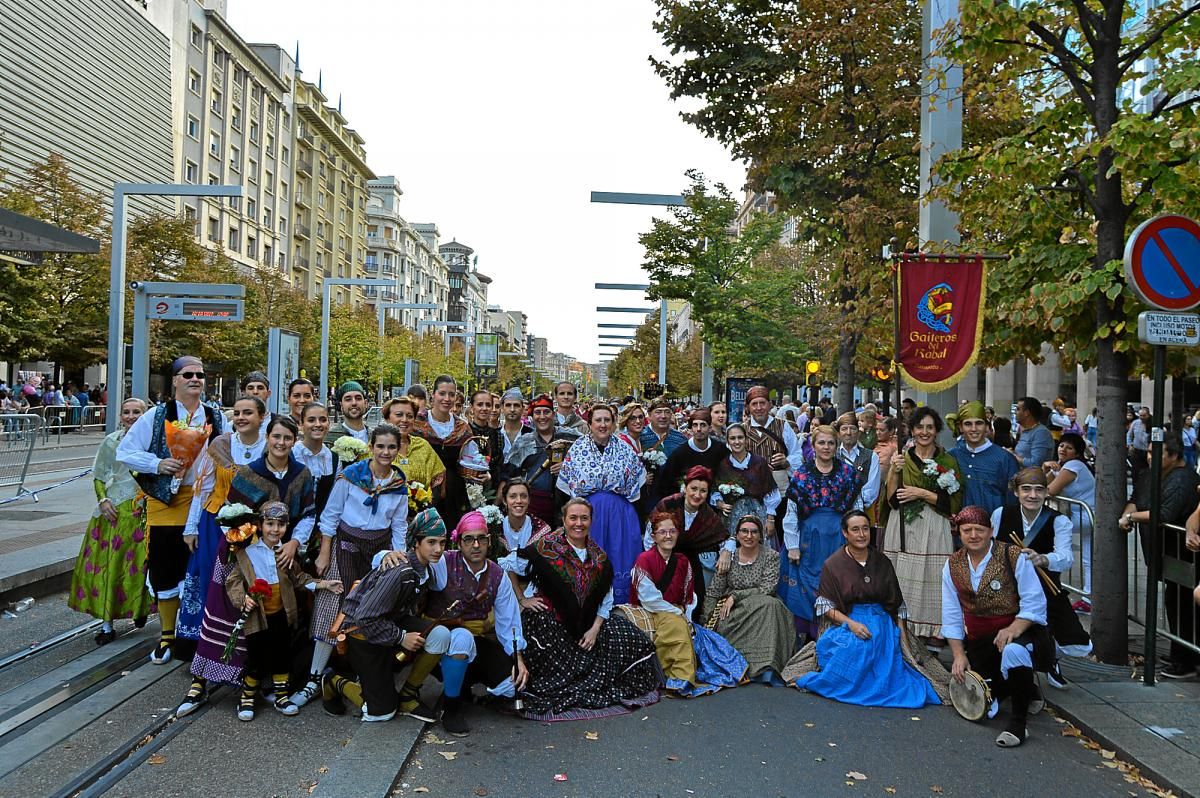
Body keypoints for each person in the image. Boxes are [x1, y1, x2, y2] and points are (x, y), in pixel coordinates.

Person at [501, 497, 661, 719]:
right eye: (573, 518)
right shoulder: (546, 547)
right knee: (559, 666)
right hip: (549, 621)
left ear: (591, 521)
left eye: (584, 518)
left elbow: (606, 597)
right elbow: (508, 564)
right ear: (564, 521)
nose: (579, 523)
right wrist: (522, 599)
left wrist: (595, 629)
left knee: (632, 638)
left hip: (588, 623)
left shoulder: (599, 557)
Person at [117, 355, 226, 663]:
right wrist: (157, 463)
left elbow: (229, 452)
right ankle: (167, 635)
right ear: (175, 380)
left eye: (200, 375)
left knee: (200, 565)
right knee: (166, 566)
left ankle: (195, 631)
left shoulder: (215, 416)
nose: (195, 379)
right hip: (166, 500)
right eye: (188, 374)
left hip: (204, 500)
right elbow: (127, 452)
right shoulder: (156, 415)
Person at [300, 422, 410, 709]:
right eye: (380, 446)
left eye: (391, 447)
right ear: (371, 447)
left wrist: (398, 557)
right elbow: (331, 515)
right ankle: (314, 676)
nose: (385, 452)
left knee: (368, 610)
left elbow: (399, 525)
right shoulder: (350, 476)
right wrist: (324, 553)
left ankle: (359, 677)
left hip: (378, 552)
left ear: (398, 450)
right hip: (345, 546)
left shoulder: (399, 485)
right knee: (332, 606)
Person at [789, 510, 944, 708]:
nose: (861, 534)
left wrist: (903, 634)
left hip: (881, 620)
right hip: (848, 619)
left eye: (865, 529)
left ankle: (877, 687)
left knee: (873, 648)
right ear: (845, 533)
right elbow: (825, 607)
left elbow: (896, 602)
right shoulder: (833, 564)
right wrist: (852, 624)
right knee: (849, 650)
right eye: (855, 530)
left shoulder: (882, 561)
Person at [400, 510, 529, 735]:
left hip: (478, 644)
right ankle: (452, 707)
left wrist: (518, 659)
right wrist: (386, 555)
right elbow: (414, 560)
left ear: (489, 541)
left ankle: (465, 685)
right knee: (462, 637)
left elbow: (510, 621)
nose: (476, 545)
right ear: (458, 542)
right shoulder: (443, 562)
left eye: (481, 538)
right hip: (439, 646)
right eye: (469, 539)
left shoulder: (498, 575)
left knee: (514, 686)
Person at [322, 508, 448, 723]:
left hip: (389, 623)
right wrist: (401, 638)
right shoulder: (401, 571)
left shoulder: (424, 568)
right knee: (381, 712)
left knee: (441, 635)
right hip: (362, 634)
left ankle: (408, 695)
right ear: (416, 542)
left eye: (443, 543)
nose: (438, 549)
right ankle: (333, 681)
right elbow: (365, 617)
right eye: (431, 542)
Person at [943, 506, 1050, 748]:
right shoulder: (951, 565)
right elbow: (951, 613)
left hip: (1021, 631)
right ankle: (1026, 688)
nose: (973, 535)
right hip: (981, 642)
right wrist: (958, 655)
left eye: (979, 530)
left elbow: (1035, 601)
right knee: (986, 702)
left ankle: (1018, 724)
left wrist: (1014, 629)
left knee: (1014, 652)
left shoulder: (1013, 556)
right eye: (967, 530)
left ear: (991, 531)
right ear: (958, 533)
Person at [224, 502, 342, 721]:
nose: (275, 530)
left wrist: (324, 584)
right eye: (270, 524)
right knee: (256, 657)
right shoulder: (246, 554)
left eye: (280, 525)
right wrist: (244, 599)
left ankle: (281, 696)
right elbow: (233, 582)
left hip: (281, 614)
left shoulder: (285, 554)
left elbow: (299, 579)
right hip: (258, 616)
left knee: (282, 655)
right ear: (260, 525)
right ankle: (247, 698)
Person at [177, 395, 268, 645]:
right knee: (212, 578)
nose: (241, 417)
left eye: (248, 412)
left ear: (261, 416)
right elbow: (202, 487)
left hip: (254, 527)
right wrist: (191, 527)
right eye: (237, 412)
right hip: (215, 522)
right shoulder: (219, 444)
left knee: (249, 582)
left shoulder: (269, 447)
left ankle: (243, 641)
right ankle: (208, 640)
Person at [621, 512, 746, 696]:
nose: (668, 536)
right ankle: (680, 679)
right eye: (662, 532)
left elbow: (689, 597)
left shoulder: (682, 561)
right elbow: (649, 599)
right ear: (654, 536)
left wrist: (686, 616)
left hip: (677, 611)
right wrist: (677, 614)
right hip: (653, 611)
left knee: (710, 641)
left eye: (672, 531)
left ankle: (722, 670)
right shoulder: (645, 559)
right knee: (676, 629)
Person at [991, 468, 1091, 690]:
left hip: (1047, 588)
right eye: (1026, 489)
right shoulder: (1001, 514)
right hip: (1010, 590)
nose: (1032, 495)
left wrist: (1043, 559)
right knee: (1010, 637)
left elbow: (1066, 558)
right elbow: (992, 550)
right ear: (1016, 492)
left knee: (1079, 643)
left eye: (1039, 490)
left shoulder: (1058, 521)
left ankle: (1050, 656)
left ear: (1047, 493)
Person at [68, 397, 153, 645]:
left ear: (144, 415)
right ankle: (107, 624)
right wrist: (103, 501)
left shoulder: (153, 443)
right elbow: (99, 475)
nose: (130, 416)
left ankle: (140, 609)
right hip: (114, 514)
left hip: (143, 513)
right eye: (126, 412)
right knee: (110, 567)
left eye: (136, 412)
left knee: (141, 567)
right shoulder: (111, 441)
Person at [881, 407, 963, 643]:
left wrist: (922, 493)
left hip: (935, 525)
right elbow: (892, 500)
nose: (924, 432)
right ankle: (904, 629)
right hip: (904, 524)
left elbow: (952, 504)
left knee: (934, 577)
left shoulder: (947, 461)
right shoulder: (902, 459)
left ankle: (932, 633)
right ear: (912, 430)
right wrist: (894, 473)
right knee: (903, 576)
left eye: (930, 427)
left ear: (936, 430)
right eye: (920, 427)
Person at [1123, 434, 1200, 679]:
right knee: (1176, 602)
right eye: (1148, 452)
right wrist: (1129, 514)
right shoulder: (1150, 475)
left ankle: (1185, 658)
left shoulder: (1184, 480)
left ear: (1175, 456)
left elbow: (1164, 513)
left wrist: (1131, 518)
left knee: (1183, 603)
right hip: (1168, 554)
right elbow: (1136, 500)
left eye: (1156, 453)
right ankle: (1183, 653)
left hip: (1184, 555)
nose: (1149, 457)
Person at [556, 404, 646, 604]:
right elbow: (564, 490)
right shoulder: (578, 448)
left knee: (620, 559)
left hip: (620, 516)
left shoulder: (625, 449)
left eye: (607, 420)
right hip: (587, 516)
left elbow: (638, 489)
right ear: (589, 423)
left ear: (614, 423)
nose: (603, 424)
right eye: (598, 420)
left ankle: (622, 607)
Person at [780, 425, 859, 638]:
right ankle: (808, 641)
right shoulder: (802, 474)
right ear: (813, 445)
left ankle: (833, 637)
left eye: (831, 443)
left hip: (837, 538)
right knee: (805, 590)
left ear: (837, 445)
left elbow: (856, 509)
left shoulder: (847, 473)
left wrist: (855, 539)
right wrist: (793, 546)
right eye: (821, 443)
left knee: (836, 585)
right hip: (808, 540)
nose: (826, 447)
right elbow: (791, 513)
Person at [703, 515, 795, 682]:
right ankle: (741, 666)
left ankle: (767, 667)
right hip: (734, 611)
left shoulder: (771, 556)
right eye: (744, 531)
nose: (749, 536)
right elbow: (714, 591)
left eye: (754, 532)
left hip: (761, 604)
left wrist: (736, 596)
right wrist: (706, 621)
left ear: (761, 535)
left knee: (771, 605)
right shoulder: (728, 556)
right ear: (737, 535)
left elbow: (767, 589)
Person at [647, 465, 732, 621]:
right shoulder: (668, 505)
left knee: (694, 604)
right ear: (685, 488)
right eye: (693, 488)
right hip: (663, 559)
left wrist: (727, 551)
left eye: (703, 491)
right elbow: (649, 537)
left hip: (690, 564)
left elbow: (724, 537)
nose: (697, 495)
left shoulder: (707, 513)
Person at [412, 375, 486, 530]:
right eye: (442, 393)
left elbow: (473, 460)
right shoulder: (417, 423)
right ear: (433, 395)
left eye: (451, 394)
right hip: (423, 493)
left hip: (454, 494)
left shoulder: (462, 428)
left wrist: (483, 473)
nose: (447, 398)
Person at [503, 393, 581, 526]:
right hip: (535, 503)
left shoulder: (572, 436)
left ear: (553, 414)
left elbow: (588, 461)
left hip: (568, 501)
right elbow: (508, 474)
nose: (542, 417)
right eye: (537, 413)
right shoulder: (524, 442)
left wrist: (568, 466)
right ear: (532, 417)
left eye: (546, 412)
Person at [1044, 432, 1096, 609]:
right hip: (1087, 516)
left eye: (1069, 447)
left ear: (1077, 453)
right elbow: (1042, 484)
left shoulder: (1074, 465)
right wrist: (1048, 470)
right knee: (1088, 558)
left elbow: (1049, 490)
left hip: (1084, 516)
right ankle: (1089, 598)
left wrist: (1050, 473)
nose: (1063, 449)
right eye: (1061, 445)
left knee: (1047, 534)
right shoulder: (1065, 466)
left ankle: (1050, 582)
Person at [712, 423, 781, 541]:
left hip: (758, 515)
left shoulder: (759, 462)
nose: (737, 442)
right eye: (732, 438)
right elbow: (715, 489)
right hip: (732, 518)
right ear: (727, 441)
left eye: (740, 437)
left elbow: (770, 491)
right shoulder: (723, 465)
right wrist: (720, 504)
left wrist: (770, 519)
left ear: (746, 439)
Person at [951, 401, 1019, 518]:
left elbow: (1012, 500)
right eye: (968, 424)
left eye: (979, 423)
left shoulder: (1005, 459)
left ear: (987, 427)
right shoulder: (952, 456)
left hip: (993, 529)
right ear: (960, 427)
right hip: (959, 530)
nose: (974, 429)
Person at [656, 408, 730, 502]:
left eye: (703, 425)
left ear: (710, 428)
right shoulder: (679, 453)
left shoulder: (721, 450)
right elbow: (665, 484)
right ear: (691, 429)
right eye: (695, 425)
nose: (698, 429)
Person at [381, 396, 447, 493]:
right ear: (387, 418)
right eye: (399, 415)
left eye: (410, 416)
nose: (404, 420)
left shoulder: (422, 445)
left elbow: (439, 475)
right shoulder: (376, 447)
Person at [835, 412, 880, 514]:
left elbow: (872, 489)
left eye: (853, 428)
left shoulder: (871, 456)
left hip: (862, 513)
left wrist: (854, 501)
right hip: (835, 512)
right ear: (838, 433)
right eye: (844, 429)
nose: (849, 432)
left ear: (858, 432)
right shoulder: (833, 455)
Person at [499, 477, 551, 556]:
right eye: (513, 496)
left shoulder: (542, 530)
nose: (519, 501)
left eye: (523, 496)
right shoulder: (496, 529)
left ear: (529, 500)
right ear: (505, 501)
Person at [467, 389, 504, 486]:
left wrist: (490, 476)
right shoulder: (464, 433)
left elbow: (499, 465)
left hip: (490, 488)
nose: (484, 408)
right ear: (472, 407)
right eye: (479, 404)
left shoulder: (497, 435)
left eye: (488, 405)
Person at [327, 381, 372, 446]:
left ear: (365, 403)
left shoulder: (376, 437)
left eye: (358, 398)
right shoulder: (330, 438)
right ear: (341, 405)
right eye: (348, 399)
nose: (354, 403)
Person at [1014, 396, 1053, 469]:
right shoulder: (1027, 431)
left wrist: (1014, 456)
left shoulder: (1041, 433)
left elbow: (1036, 463)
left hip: (1031, 479)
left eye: (1018, 409)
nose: (1015, 412)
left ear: (1026, 413)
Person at [499, 388, 532, 459]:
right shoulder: (495, 435)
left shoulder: (532, 435)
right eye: (508, 405)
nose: (512, 409)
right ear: (502, 408)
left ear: (523, 409)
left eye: (516, 405)